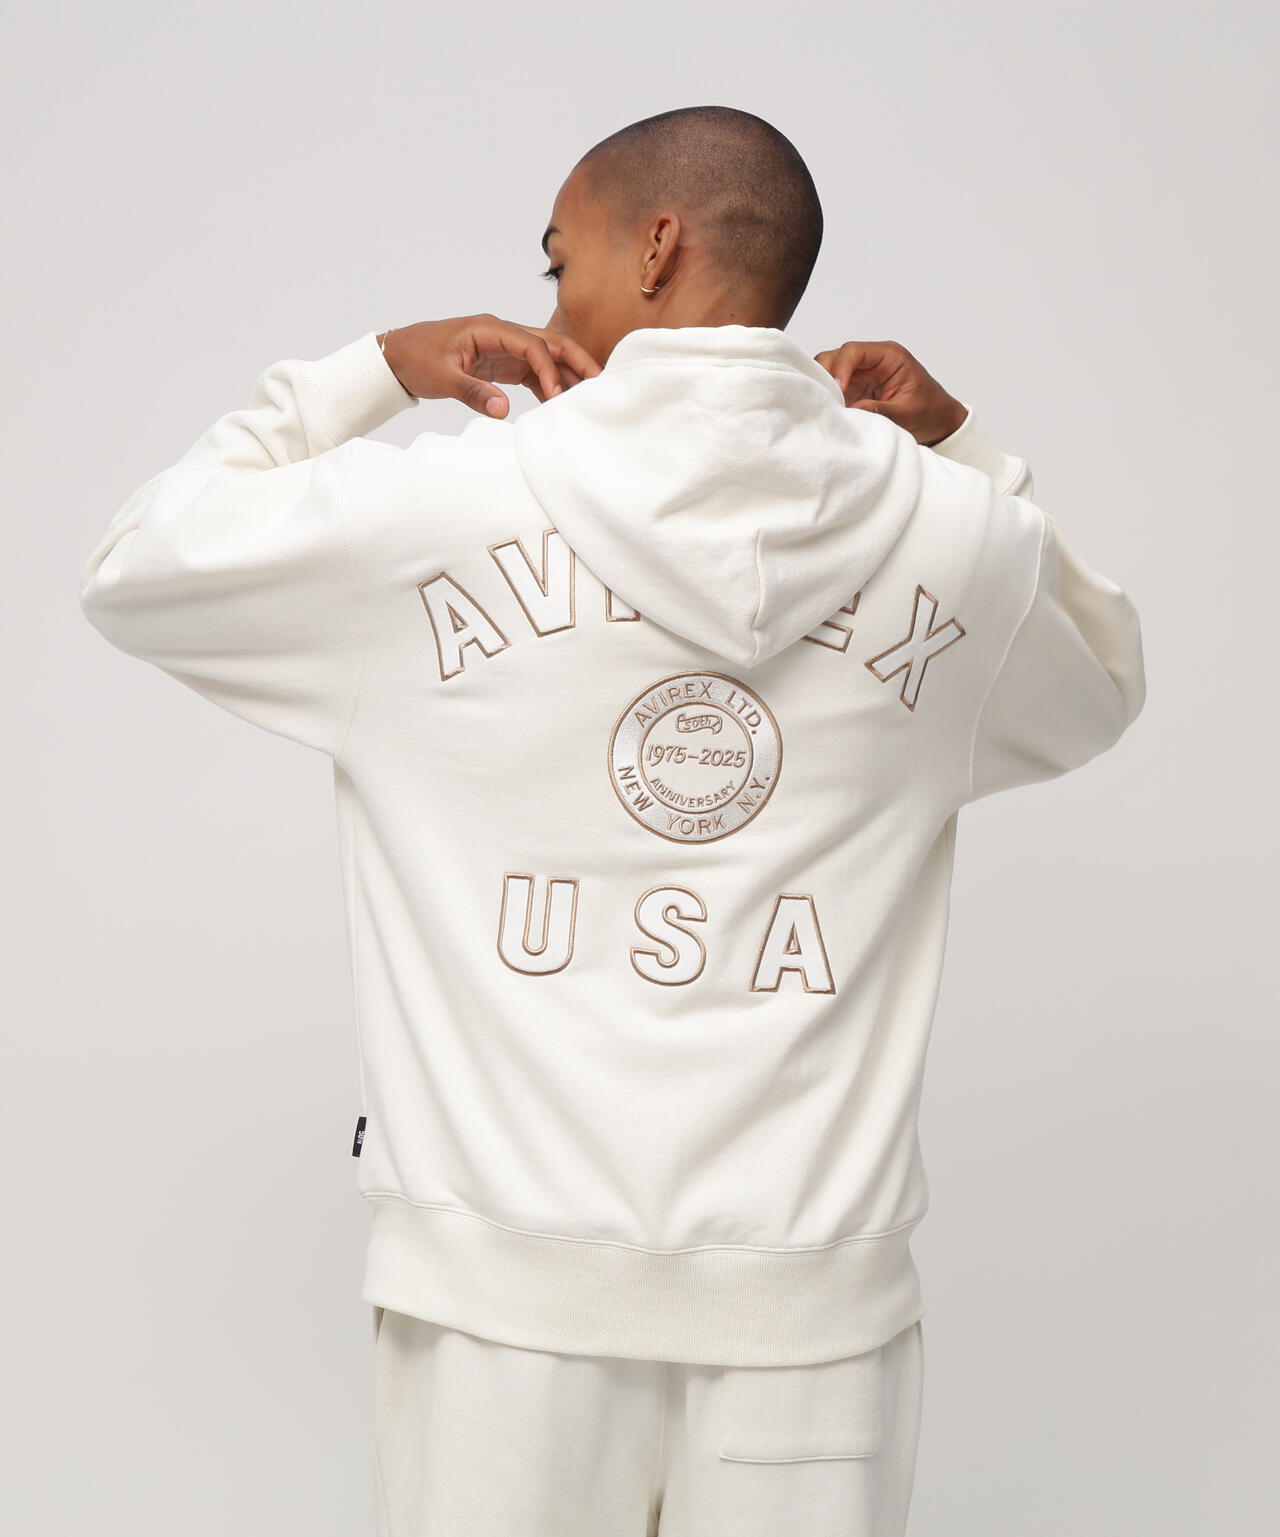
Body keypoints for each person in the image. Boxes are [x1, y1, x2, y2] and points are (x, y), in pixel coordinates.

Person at [77, 105, 1146, 1537]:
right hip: (810, 1326)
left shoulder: (437, 512)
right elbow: (1101, 684)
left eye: (558, 260)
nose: (548, 308)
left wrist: (375, 369)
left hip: (498, 1316)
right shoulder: (952, 542)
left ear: (655, 248)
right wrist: (966, 452)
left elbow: (136, 563)